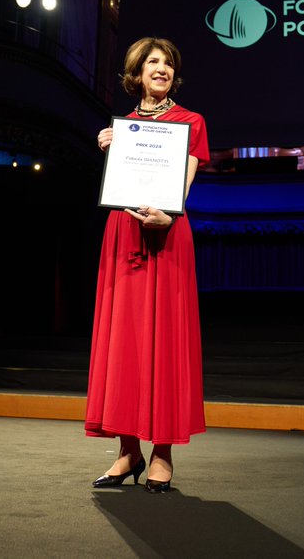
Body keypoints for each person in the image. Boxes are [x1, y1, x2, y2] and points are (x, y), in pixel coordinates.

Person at [85, 37, 209, 493]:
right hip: (123, 234)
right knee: (125, 342)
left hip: (167, 233)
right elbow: (123, 181)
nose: (162, 69)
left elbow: (185, 180)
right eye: (153, 63)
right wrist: (110, 148)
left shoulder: (191, 122)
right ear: (136, 74)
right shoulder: (123, 127)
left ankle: (162, 453)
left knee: (163, 341)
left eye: (169, 64)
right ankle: (127, 450)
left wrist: (167, 213)